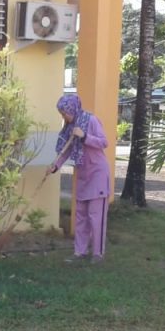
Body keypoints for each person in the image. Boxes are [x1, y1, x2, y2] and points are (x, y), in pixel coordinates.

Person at [48, 95, 110, 262]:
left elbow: (104, 142)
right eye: (61, 114)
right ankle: (79, 252)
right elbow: (67, 150)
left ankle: (97, 253)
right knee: (81, 215)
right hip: (82, 174)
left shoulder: (91, 120)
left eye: (64, 113)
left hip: (97, 173)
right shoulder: (69, 127)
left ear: (72, 109)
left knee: (95, 216)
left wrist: (84, 137)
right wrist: (56, 166)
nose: (63, 116)